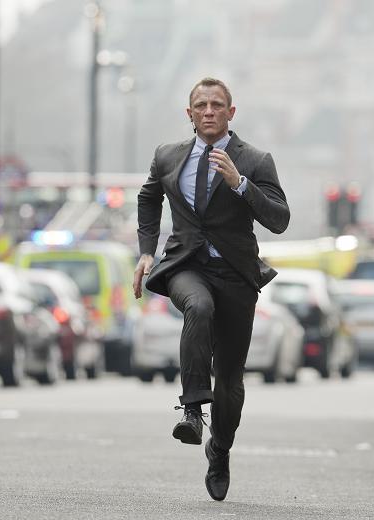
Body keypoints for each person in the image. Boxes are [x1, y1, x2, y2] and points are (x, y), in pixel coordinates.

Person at [133, 77, 290, 501]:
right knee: (197, 307)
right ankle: (191, 411)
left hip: (235, 274)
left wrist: (241, 184)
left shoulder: (255, 160)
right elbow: (148, 199)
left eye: (217, 105)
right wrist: (146, 251)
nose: (208, 111)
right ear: (189, 114)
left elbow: (279, 219)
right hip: (186, 266)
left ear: (230, 112)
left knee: (231, 381)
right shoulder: (168, 156)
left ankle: (219, 450)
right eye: (200, 105)